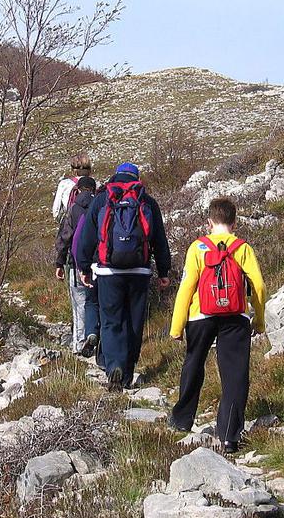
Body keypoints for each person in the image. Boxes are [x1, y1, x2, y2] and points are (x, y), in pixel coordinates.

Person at [166, 197, 266, 454]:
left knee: (194, 363)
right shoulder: (243, 248)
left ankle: (182, 419)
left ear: (209, 222)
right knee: (235, 374)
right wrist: (259, 320)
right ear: (234, 223)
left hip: (201, 315)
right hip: (236, 316)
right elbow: (259, 286)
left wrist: (177, 327)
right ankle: (230, 436)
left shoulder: (197, 247)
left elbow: (186, 287)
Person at [76, 162, 171, 391]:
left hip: (109, 272)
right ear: (136, 178)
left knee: (111, 321)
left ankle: (114, 366)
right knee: (134, 322)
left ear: (115, 176)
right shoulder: (146, 201)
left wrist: (84, 266)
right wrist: (164, 271)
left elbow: (86, 237)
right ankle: (127, 372)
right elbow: (159, 239)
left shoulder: (102, 199)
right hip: (139, 271)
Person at [55, 176, 99, 356]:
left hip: (75, 264)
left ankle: (79, 344)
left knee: (79, 304)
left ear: (78, 190)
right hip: (98, 264)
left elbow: (65, 237)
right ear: (94, 190)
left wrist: (59, 262)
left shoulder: (73, 209)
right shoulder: (101, 206)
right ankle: (95, 337)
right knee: (96, 303)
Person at [52, 153, 93, 220]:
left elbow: (56, 209)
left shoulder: (64, 184)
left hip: (71, 221)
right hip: (89, 222)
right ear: (89, 170)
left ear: (74, 171)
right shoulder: (96, 184)